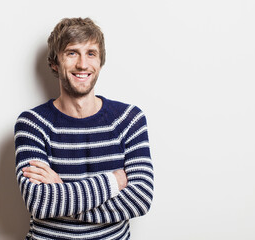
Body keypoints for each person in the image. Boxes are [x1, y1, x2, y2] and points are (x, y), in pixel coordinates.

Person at [14, 17, 154, 240]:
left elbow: (140, 200)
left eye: (91, 53)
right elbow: (38, 202)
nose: (82, 64)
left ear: (100, 62)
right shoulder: (32, 123)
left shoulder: (129, 120)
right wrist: (113, 181)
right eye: (72, 53)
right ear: (54, 63)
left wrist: (60, 196)